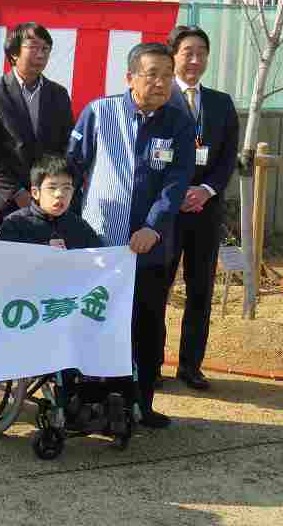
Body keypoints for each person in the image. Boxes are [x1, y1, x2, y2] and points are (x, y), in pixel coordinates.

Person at [67, 42, 195, 429]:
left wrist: (153, 227)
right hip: (98, 245)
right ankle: (85, 401)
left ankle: (142, 402)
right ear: (130, 77)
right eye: (151, 73)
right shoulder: (98, 112)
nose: (160, 83)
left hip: (149, 248)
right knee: (94, 320)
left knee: (147, 323)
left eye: (166, 75)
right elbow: (72, 170)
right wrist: (67, 228)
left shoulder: (178, 121)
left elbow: (177, 182)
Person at [160, 25, 239, 391]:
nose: (195, 60)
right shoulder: (159, 97)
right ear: (173, 55)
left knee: (200, 289)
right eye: (188, 52)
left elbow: (226, 159)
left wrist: (206, 189)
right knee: (156, 288)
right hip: (165, 211)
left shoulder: (221, 103)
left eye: (201, 53)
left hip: (205, 212)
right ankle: (149, 363)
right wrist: (175, 194)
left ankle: (191, 365)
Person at [0, 22, 75, 237]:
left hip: (48, 204)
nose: (41, 54)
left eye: (46, 49)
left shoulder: (58, 94)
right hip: (5, 203)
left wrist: (51, 191)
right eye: (34, 47)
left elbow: (66, 146)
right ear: (13, 53)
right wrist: (16, 192)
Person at [0, 154, 102, 250]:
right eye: (52, 187)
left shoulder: (80, 227)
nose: (59, 194)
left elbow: (100, 259)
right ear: (35, 193)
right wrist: (45, 249)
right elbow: (3, 261)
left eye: (66, 188)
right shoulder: (15, 224)